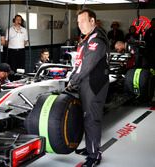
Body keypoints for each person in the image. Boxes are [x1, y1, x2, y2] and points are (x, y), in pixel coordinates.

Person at [67, 9, 109, 167]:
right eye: (78, 22)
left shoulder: (97, 40)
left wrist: (73, 81)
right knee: (86, 117)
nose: (80, 25)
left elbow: (87, 65)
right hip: (87, 82)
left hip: (94, 84)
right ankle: (90, 146)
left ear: (92, 21)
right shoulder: (88, 37)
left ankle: (94, 155)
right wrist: (73, 77)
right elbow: (79, 62)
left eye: (83, 21)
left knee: (92, 119)